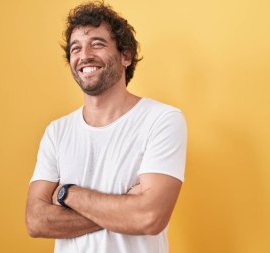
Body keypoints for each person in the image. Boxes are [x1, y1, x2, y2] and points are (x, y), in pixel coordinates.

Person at [25, 1, 187, 253]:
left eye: (97, 44)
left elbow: (149, 217)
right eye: (75, 48)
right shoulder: (56, 132)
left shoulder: (162, 120)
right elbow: (36, 221)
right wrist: (125, 209)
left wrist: (66, 194)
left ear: (126, 55)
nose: (84, 55)